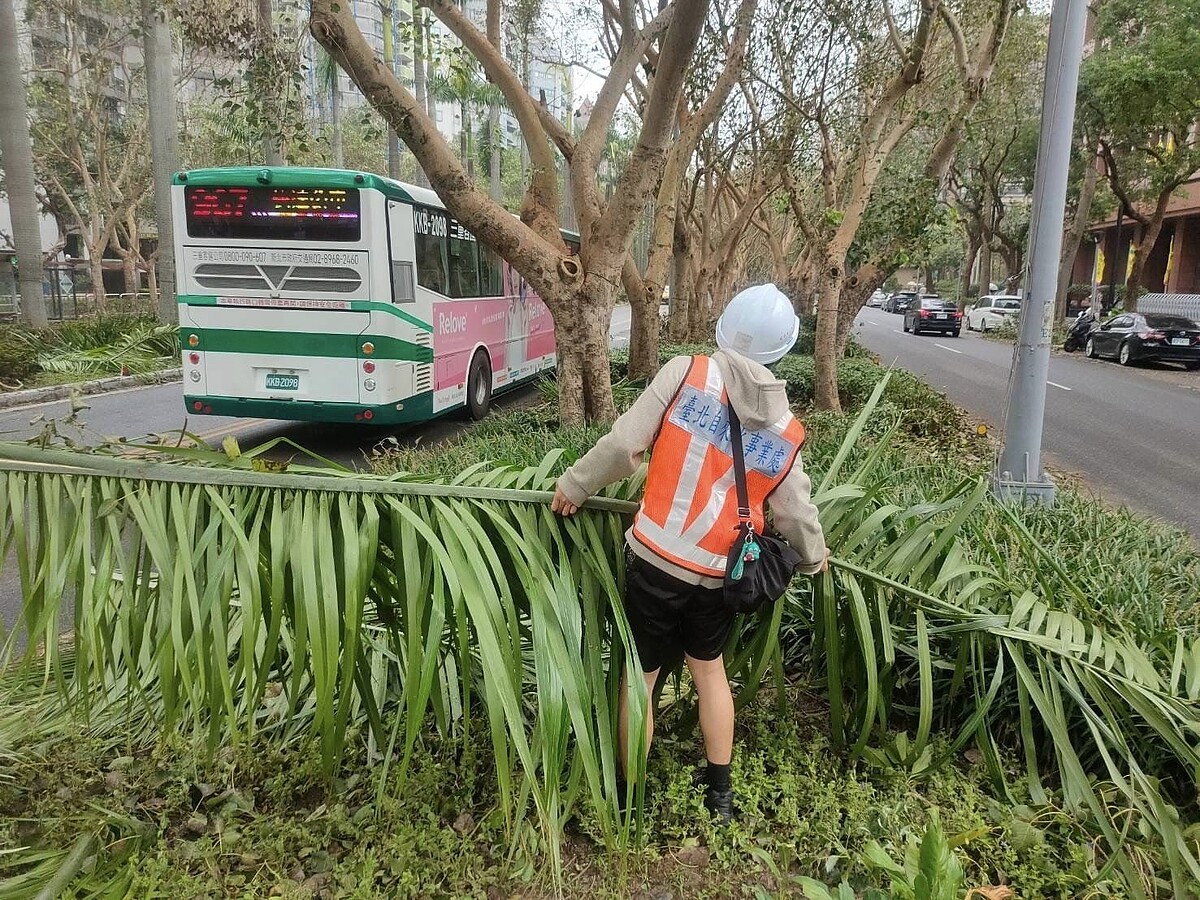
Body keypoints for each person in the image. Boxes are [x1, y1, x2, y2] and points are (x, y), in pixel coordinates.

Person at [551, 283, 829, 822]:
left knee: (644, 678)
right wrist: (814, 558)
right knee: (710, 673)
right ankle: (721, 797)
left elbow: (623, 444)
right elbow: (795, 513)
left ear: (725, 327)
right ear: (782, 349)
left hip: (655, 562)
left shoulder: (687, 373)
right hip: (719, 576)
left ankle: (630, 797)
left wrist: (576, 485)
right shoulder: (786, 430)